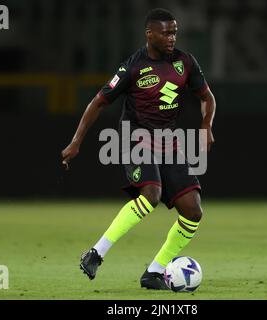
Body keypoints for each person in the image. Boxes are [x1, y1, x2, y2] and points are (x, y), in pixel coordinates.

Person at [61, 8, 216, 290]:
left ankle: (154, 272)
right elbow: (97, 103)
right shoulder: (132, 67)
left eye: (174, 32)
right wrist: (76, 141)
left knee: (193, 211)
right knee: (151, 194)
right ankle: (96, 253)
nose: (172, 38)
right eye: (166, 32)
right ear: (150, 34)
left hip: (168, 143)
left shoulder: (185, 62)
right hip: (134, 138)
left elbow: (207, 97)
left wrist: (206, 124)